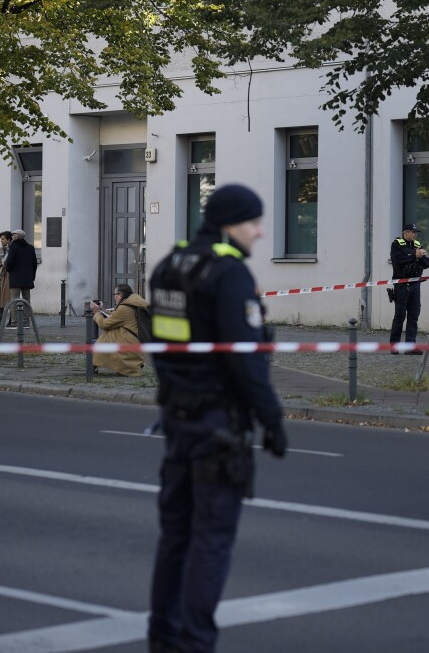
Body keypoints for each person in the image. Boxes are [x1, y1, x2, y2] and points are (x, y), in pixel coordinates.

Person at [146, 184, 287, 653]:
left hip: (177, 417)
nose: (260, 232)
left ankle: (163, 636)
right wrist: (272, 419)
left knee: (176, 536)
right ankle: (195, 643)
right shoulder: (228, 273)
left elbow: (160, 347)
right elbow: (246, 358)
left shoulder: (171, 265)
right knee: (211, 539)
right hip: (218, 426)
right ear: (230, 224)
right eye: (254, 223)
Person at [87, 283, 149, 376]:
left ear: (120, 295)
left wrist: (96, 312)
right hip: (136, 343)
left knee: (109, 333)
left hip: (129, 344)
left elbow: (104, 324)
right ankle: (97, 361)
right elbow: (116, 317)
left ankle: (95, 361)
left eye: (114, 295)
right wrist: (102, 310)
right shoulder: (132, 303)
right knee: (112, 331)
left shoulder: (124, 308)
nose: (114, 297)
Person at [389, 222, 429, 354]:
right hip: (401, 284)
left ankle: (410, 347)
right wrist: (415, 256)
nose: (415, 234)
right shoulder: (397, 244)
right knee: (400, 315)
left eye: (416, 232)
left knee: (414, 315)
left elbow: (426, 264)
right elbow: (398, 260)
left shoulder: (417, 245)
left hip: (415, 284)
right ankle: (394, 346)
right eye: (413, 232)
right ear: (405, 232)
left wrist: (420, 256)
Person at [3, 228, 37, 303]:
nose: (12, 236)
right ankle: (28, 315)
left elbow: (10, 261)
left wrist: (8, 269)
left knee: (14, 300)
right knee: (27, 300)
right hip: (27, 278)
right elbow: (34, 263)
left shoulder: (13, 247)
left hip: (15, 277)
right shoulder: (30, 248)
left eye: (13, 235)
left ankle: (14, 315)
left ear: (17, 236)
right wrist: (32, 276)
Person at [0, 231, 12, 315]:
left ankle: (11, 318)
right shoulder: (0, 249)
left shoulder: (12, 249)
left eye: (3, 239)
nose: (1, 241)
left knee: (7, 297)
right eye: (1, 239)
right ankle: (0, 317)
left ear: (8, 240)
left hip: (7, 276)